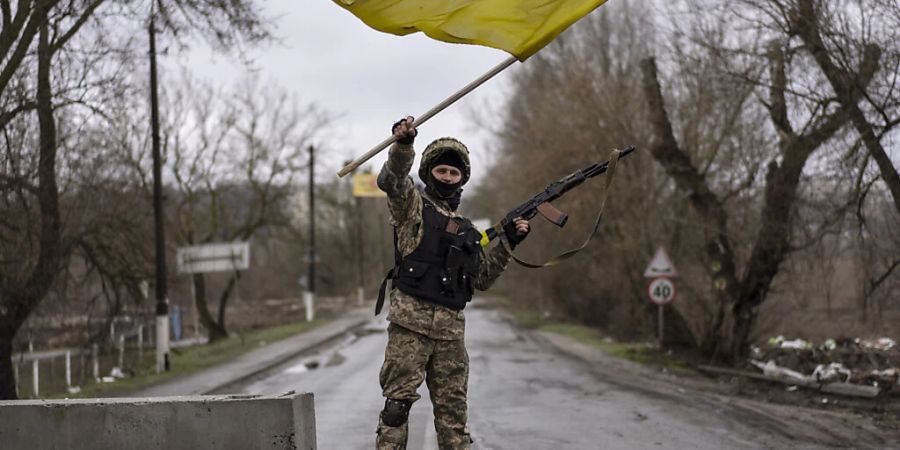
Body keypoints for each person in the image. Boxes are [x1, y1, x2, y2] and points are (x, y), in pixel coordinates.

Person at [374, 116, 529, 450]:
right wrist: (403, 145)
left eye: (453, 173)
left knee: (453, 418)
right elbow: (393, 180)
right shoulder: (412, 208)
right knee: (397, 409)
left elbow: (483, 278)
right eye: (441, 171)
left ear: (462, 179)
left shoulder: (469, 230)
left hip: (450, 335)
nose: (447, 177)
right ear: (429, 172)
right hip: (409, 329)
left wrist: (509, 243)